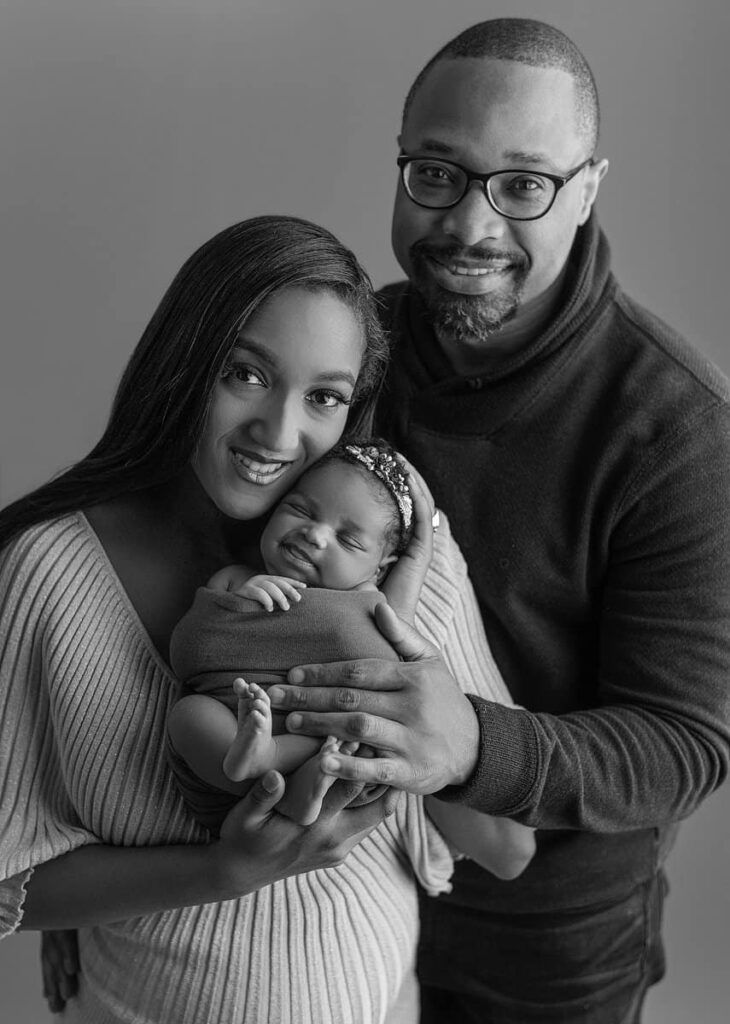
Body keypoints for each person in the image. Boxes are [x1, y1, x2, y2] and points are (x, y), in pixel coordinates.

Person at [263, 19, 730, 1023]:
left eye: (523, 186)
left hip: (536, 955)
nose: (471, 225)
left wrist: (474, 748)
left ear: (589, 188)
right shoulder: (351, 348)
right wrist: (113, 858)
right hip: (314, 899)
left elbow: (684, 744)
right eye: (437, 173)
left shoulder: (678, 429)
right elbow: (205, 543)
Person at [0, 214, 529, 1024]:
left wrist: (414, 677)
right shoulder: (47, 569)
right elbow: (13, 880)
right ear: (185, 362)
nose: (279, 433)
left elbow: (506, 848)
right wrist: (225, 871)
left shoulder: (400, 550)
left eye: (325, 397)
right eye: (245, 374)